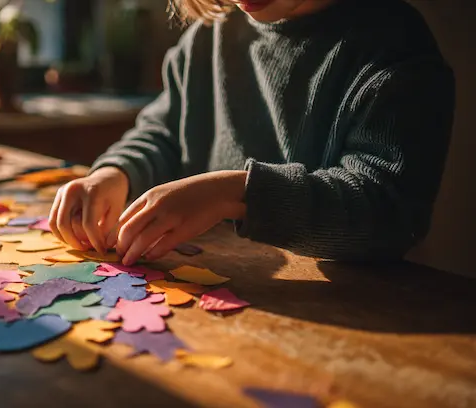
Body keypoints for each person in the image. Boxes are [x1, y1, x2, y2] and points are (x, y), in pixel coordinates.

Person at [49, 0, 455, 266]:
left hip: (353, 317)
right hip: (223, 301)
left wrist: (237, 194)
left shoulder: (394, 49)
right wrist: (115, 173)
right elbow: (164, 133)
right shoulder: (208, 38)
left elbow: (387, 213)